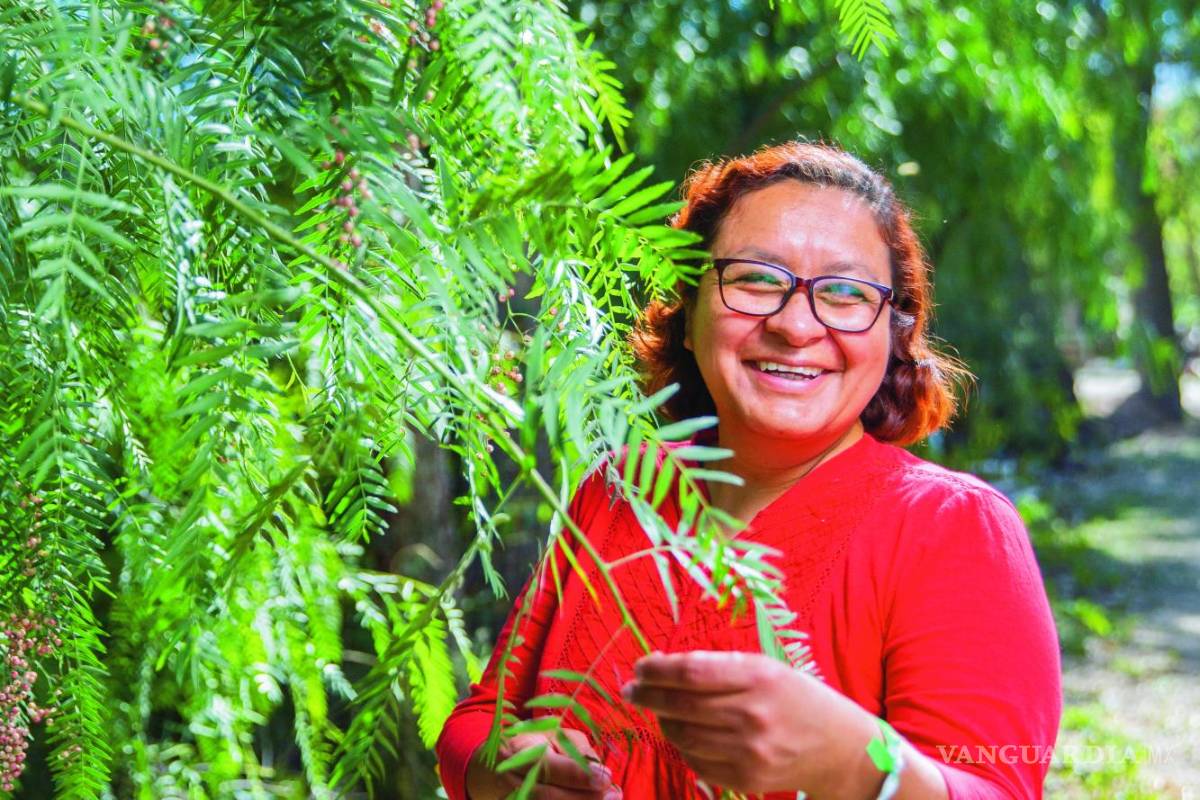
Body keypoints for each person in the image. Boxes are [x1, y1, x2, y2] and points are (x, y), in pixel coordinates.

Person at [436, 141, 1062, 800]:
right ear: (688, 309)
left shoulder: (950, 529)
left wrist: (863, 767)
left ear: (893, 330)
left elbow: (994, 787)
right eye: (755, 279)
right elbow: (480, 720)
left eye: (845, 293)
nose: (796, 325)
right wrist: (499, 770)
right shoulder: (617, 490)